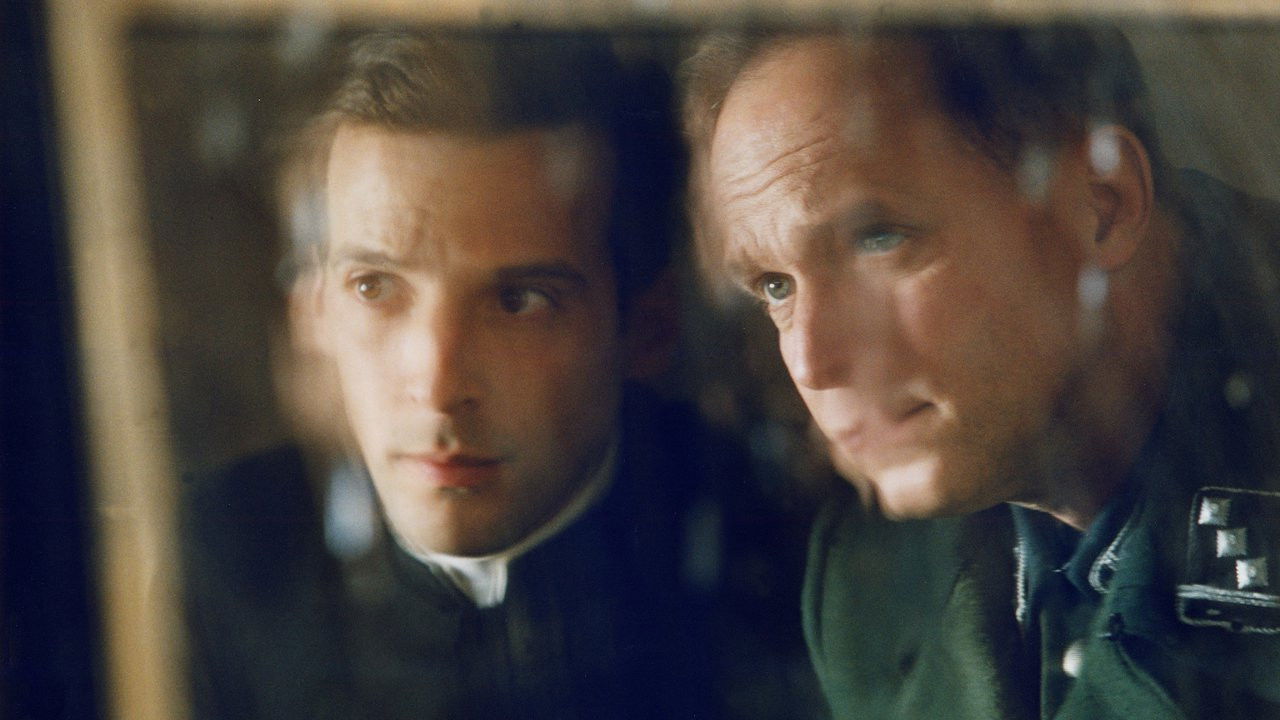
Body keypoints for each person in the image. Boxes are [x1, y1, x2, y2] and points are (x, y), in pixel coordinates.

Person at [179, 31, 817, 720]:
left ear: (647, 328)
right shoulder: (217, 561)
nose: (438, 388)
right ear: (312, 311)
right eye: (374, 287)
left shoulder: (779, 568)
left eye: (519, 301)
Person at [683, 24, 1280, 719]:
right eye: (775, 286)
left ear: (1101, 206)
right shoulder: (867, 577)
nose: (813, 362)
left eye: (877, 238)